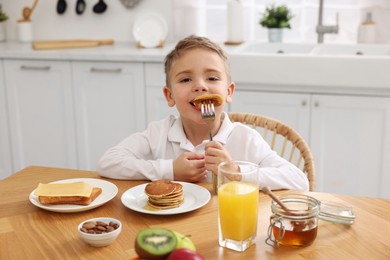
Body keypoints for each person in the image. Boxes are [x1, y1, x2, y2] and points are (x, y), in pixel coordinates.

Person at [97, 35, 309, 191]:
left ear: (228, 92)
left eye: (212, 78)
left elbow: (299, 181)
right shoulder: (158, 133)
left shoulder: (245, 139)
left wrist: (236, 172)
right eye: (185, 79)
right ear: (169, 96)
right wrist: (170, 170)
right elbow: (108, 162)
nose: (200, 86)